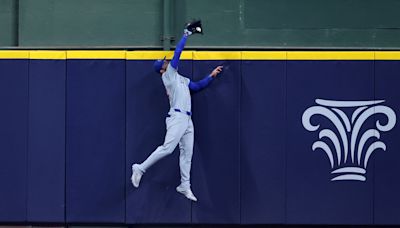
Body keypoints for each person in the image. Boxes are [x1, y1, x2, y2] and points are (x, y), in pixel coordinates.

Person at [130, 27, 223, 202]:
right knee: (168, 148)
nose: (166, 62)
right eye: (164, 63)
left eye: (166, 61)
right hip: (177, 117)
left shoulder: (181, 79)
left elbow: (196, 87)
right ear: (161, 70)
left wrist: (211, 76)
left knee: (187, 153)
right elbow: (178, 53)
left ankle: (184, 186)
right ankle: (140, 168)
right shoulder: (168, 77)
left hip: (187, 119)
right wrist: (185, 35)